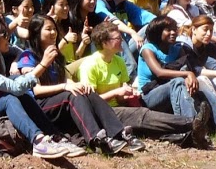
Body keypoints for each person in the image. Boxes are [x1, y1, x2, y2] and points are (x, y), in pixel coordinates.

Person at [0, 17, 83, 158]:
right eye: (4, 35)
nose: (9, 38)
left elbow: (17, 60)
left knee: (16, 86)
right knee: (10, 98)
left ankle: (55, 136)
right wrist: (42, 65)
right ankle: (39, 141)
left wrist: (18, 66)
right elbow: (15, 88)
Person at [15, 14, 146, 154]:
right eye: (48, 29)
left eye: (54, 29)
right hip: (39, 106)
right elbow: (36, 91)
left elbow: (65, 79)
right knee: (71, 95)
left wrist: (79, 85)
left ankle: (119, 133)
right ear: (36, 32)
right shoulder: (28, 57)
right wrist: (64, 85)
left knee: (85, 91)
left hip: (58, 101)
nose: (53, 32)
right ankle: (97, 139)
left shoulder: (57, 54)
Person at [75, 21, 208, 148]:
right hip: (104, 112)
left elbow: (121, 97)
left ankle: (188, 134)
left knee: (147, 121)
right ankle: (191, 123)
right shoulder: (90, 65)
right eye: (117, 38)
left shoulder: (118, 61)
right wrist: (116, 93)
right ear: (104, 43)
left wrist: (128, 93)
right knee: (143, 115)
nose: (122, 40)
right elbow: (89, 103)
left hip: (122, 107)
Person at [136, 17, 216, 140]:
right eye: (168, 30)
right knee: (178, 81)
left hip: (177, 92)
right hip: (150, 96)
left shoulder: (177, 49)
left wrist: (189, 76)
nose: (173, 32)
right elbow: (159, 72)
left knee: (198, 82)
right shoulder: (148, 48)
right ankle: (190, 127)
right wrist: (187, 74)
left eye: (174, 29)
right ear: (157, 31)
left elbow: (186, 69)